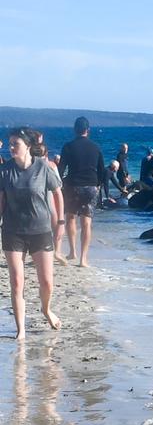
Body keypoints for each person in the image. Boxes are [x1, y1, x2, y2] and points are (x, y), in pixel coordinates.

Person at [0, 127, 64, 339]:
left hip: (40, 230)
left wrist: (60, 220)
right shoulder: (5, 170)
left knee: (46, 282)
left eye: (15, 144)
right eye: (9, 144)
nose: (10, 148)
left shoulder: (43, 167)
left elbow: (57, 193)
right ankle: (21, 330)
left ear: (27, 146)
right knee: (17, 281)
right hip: (12, 231)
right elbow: (1, 201)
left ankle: (46, 310)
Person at [56, 116, 106, 267]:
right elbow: (102, 170)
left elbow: (61, 168)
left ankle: (72, 252)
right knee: (87, 222)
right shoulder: (96, 147)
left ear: (75, 130)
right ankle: (83, 259)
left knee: (70, 217)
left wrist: (59, 184)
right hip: (91, 187)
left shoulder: (68, 146)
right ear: (87, 130)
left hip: (73, 186)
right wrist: (98, 185)